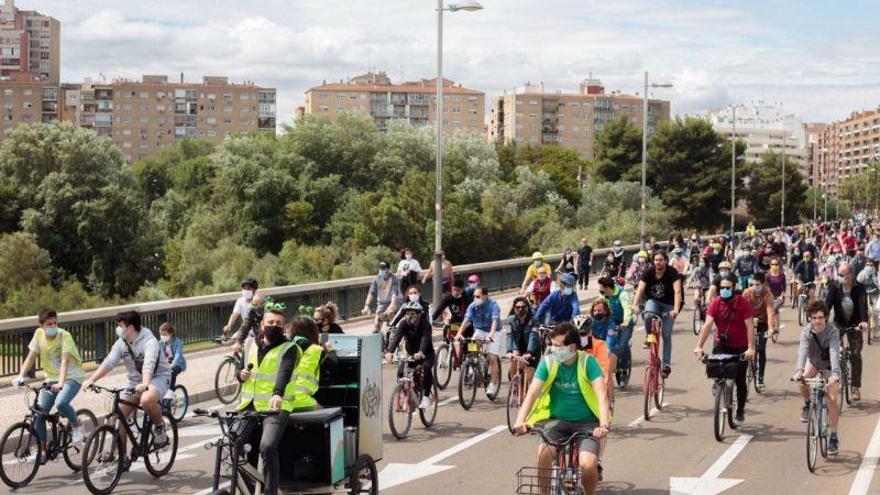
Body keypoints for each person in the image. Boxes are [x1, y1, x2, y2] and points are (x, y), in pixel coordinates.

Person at [513, 323, 610, 495]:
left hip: (588, 424)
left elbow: (602, 395)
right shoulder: (548, 363)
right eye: (551, 345)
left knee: (588, 464)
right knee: (542, 457)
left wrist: (603, 425)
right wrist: (520, 421)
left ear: (572, 347)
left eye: (557, 346)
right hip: (556, 421)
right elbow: (532, 393)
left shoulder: (588, 362)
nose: (552, 349)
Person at [83, 311, 173, 467]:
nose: (118, 328)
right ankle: (122, 457)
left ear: (130, 327)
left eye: (120, 326)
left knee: (146, 400)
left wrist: (145, 384)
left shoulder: (149, 341)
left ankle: (159, 427)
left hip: (158, 377)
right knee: (117, 415)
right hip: (134, 382)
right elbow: (108, 362)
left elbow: (149, 364)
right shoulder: (121, 343)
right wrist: (91, 380)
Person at [234, 306, 298, 495]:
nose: (274, 326)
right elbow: (240, 369)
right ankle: (250, 486)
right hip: (249, 406)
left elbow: (284, 373)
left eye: (278, 324)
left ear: (284, 327)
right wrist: (240, 374)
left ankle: (270, 491)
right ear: (262, 325)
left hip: (276, 407)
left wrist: (277, 394)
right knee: (234, 444)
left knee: (268, 447)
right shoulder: (250, 344)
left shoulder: (289, 348)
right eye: (270, 323)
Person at [12, 309, 88, 453]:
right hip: (51, 378)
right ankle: (43, 450)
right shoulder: (38, 334)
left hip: (72, 376)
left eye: (55, 323)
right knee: (38, 414)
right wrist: (21, 375)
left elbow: (65, 361)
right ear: (41, 325)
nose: (53, 326)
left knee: (61, 403)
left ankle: (77, 424)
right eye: (49, 324)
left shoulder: (64, 336)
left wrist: (60, 383)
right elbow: (31, 357)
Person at [693, 274, 756, 423]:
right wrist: (699, 346)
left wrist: (751, 348)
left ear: (734, 288)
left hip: (740, 346)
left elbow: (750, 326)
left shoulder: (743, 303)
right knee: (715, 367)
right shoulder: (715, 303)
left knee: (740, 380)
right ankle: (718, 385)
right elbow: (708, 325)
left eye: (728, 288)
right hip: (721, 343)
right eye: (722, 288)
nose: (724, 290)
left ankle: (740, 409)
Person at [793, 301, 841, 455]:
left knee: (832, 399)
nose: (817, 321)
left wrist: (834, 374)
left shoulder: (833, 331)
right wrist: (799, 371)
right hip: (813, 362)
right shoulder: (806, 332)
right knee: (802, 381)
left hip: (828, 366)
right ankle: (808, 404)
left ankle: (833, 436)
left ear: (826, 317)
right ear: (810, 318)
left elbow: (834, 352)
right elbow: (802, 351)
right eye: (814, 318)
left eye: (820, 317)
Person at [631, 250, 682, 378]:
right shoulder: (648, 272)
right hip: (653, 301)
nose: (658, 262)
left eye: (660, 260)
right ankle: (649, 336)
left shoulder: (672, 273)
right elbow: (640, 289)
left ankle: (666, 364)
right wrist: (634, 305)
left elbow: (677, 292)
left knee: (666, 334)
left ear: (665, 260)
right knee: (648, 314)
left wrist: (675, 310)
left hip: (669, 305)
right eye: (656, 260)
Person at [824, 263, 869, 401]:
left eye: (842, 275)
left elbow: (862, 306)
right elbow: (827, 305)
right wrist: (822, 319)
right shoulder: (834, 287)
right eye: (838, 274)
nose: (839, 277)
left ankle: (855, 387)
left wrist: (864, 321)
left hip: (855, 325)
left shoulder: (859, 288)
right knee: (831, 350)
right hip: (838, 323)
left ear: (850, 275)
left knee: (855, 354)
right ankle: (831, 379)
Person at [385, 301, 435, 409]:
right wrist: (390, 352)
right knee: (401, 371)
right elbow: (397, 337)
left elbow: (425, 340)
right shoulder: (404, 324)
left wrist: (421, 352)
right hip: (411, 354)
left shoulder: (426, 325)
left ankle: (426, 397)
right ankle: (405, 393)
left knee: (426, 368)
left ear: (419, 314)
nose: (409, 316)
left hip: (426, 354)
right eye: (407, 314)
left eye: (412, 314)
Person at [456, 287, 503, 396]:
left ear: (485, 296)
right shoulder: (473, 306)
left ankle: (492, 383)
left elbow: (495, 320)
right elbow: (467, 319)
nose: (475, 299)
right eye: (474, 296)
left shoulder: (493, 305)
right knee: (472, 349)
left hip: (494, 331)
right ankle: (473, 368)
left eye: (478, 296)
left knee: (492, 358)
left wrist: (491, 334)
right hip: (480, 330)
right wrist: (459, 333)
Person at [597, 276, 635, 388]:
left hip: (625, 323)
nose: (601, 292)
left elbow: (627, 308)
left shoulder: (622, 295)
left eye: (602, 289)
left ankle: (622, 371)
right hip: (612, 322)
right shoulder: (604, 296)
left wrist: (626, 322)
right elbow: (598, 307)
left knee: (622, 347)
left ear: (608, 288)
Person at [742, 273, 773, 390]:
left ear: (763, 284)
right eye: (753, 284)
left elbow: (770, 312)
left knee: (761, 349)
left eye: (757, 284)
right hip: (748, 322)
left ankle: (760, 377)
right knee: (744, 348)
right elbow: (740, 309)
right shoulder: (747, 293)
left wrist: (770, 329)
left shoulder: (768, 294)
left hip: (762, 324)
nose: (755, 286)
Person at [506, 296, 540, 388]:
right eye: (517, 307)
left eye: (523, 307)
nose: (520, 309)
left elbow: (533, 337)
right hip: (518, 346)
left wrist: (529, 352)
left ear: (528, 308)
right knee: (514, 360)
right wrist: (510, 351)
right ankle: (515, 387)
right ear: (514, 308)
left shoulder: (534, 320)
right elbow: (509, 335)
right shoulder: (510, 320)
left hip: (532, 349)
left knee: (530, 377)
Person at [362, 261, 401, 335]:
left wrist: (392, 305)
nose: (382, 270)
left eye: (384, 269)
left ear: (388, 269)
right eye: (381, 268)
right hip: (381, 303)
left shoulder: (393, 278)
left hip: (392, 302)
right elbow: (371, 293)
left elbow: (394, 292)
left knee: (391, 324)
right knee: (376, 325)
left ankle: (391, 340)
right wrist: (366, 305)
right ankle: (379, 340)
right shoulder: (376, 278)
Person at [159, 322, 187, 389]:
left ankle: (170, 393)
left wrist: (172, 364)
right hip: (166, 363)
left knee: (172, 372)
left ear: (170, 334)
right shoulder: (161, 343)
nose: (162, 336)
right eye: (161, 335)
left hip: (178, 364)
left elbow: (178, 354)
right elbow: (157, 353)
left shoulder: (178, 342)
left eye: (164, 334)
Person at [765, 257, 787, 336]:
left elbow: (784, 287)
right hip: (770, 297)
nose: (774, 265)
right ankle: (771, 326)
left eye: (776, 264)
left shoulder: (782, 275)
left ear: (778, 265)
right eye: (772, 264)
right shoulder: (767, 275)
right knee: (771, 310)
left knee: (774, 308)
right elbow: (765, 287)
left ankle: (777, 327)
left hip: (779, 297)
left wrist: (781, 296)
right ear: (770, 265)